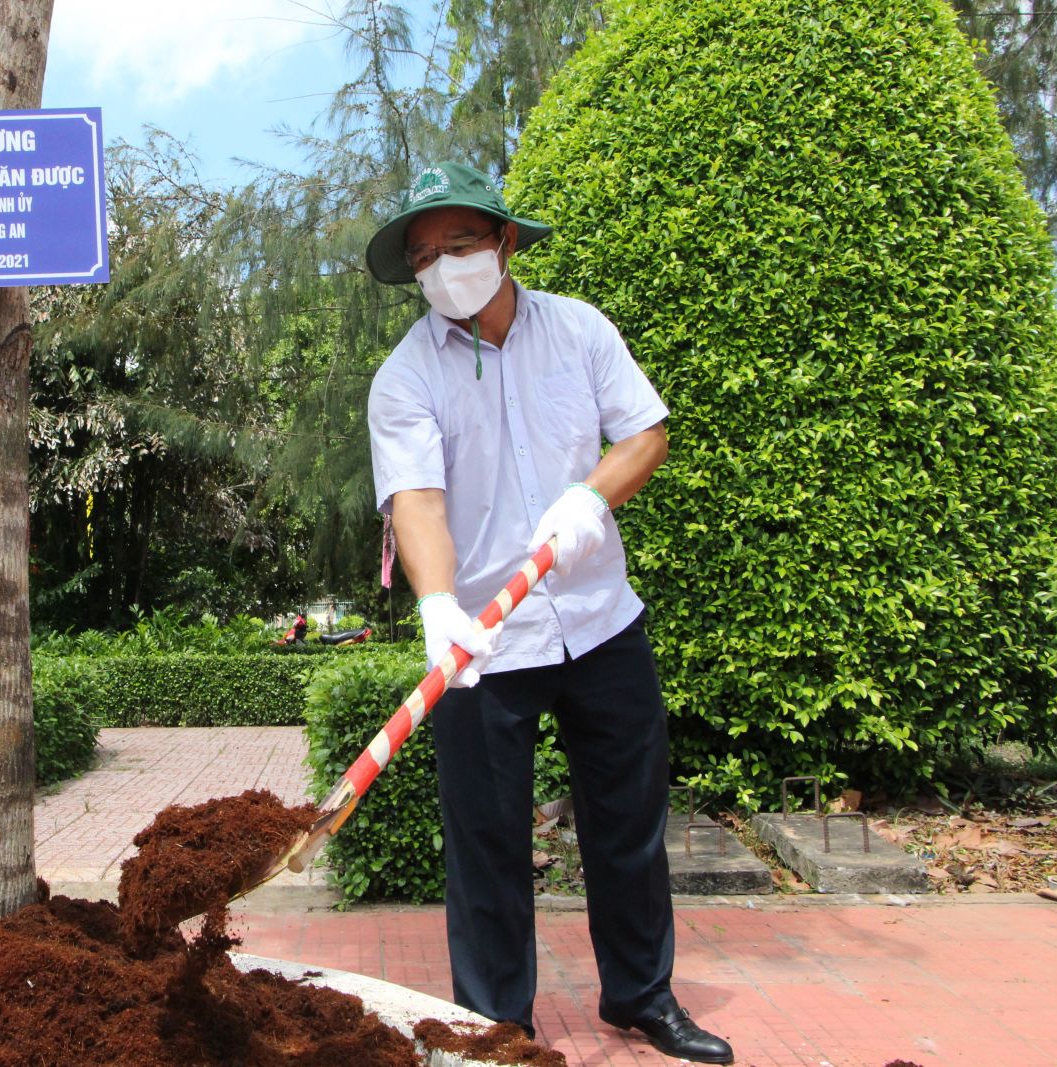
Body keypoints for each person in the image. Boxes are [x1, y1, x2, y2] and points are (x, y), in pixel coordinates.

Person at [364, 162, 734, 1065]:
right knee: (487, 844)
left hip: (602, 619)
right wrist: (440, 604)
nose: (444, 267)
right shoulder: (404, 378)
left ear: (505, 242)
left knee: (628, 824)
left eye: (459, 244)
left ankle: (642, 995)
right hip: (485, 644)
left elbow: (645, 430)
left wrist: (592, 498)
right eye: (424, 256)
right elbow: (418, 501)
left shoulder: (578, 330)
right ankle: (497, 1025)